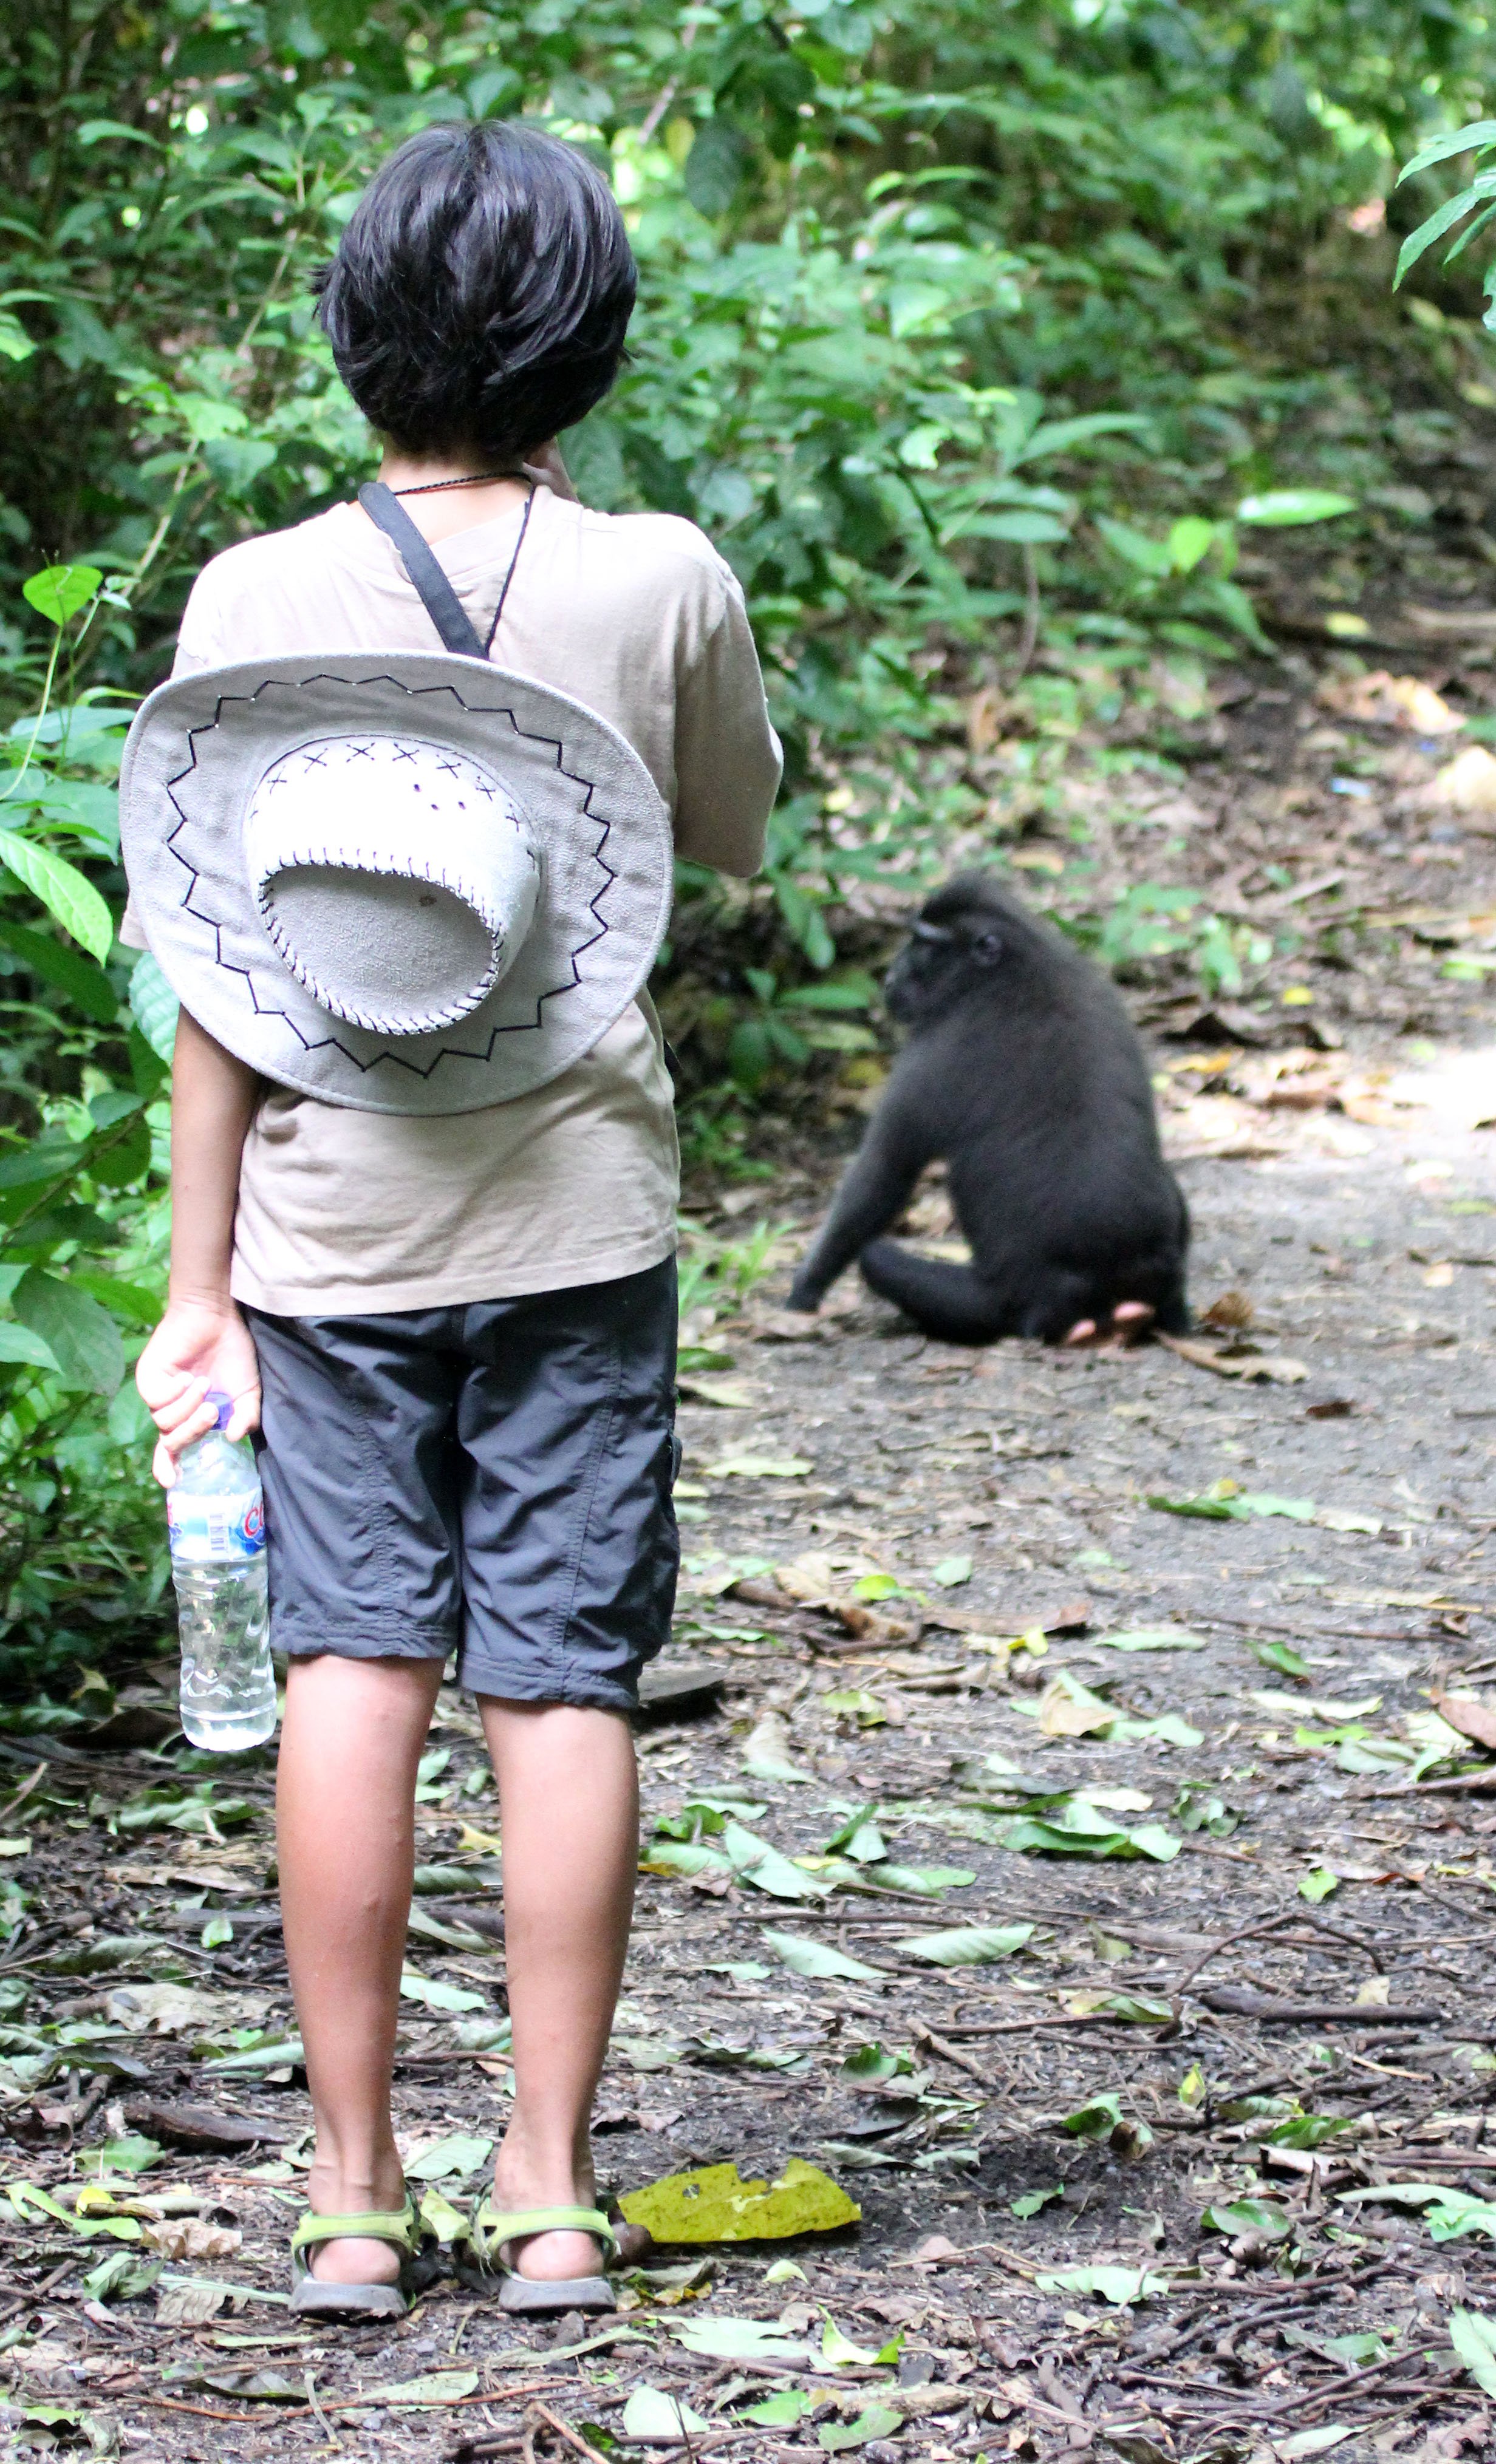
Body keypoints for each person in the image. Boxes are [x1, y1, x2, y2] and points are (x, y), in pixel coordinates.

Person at [128, 118, 780, 2318]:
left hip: (325, 1234)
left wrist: (195, 1288)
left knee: (351, 1663)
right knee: (563, 1679)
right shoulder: (663, 572)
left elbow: (223, 976)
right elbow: (728, 838)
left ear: (356, 331)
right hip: (579, 1205)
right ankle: (550, 2193)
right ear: (589, 339)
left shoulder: (247, 596)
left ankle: (343, 2186)